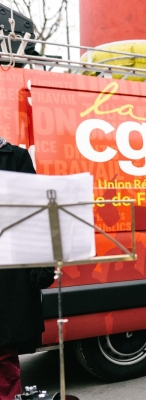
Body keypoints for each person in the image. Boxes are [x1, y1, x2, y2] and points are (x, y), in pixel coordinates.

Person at [0, 137, 55, 400]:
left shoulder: (16, 157)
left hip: (7, 269)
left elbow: (36, 214)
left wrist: (43, 260)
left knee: (4, 351)